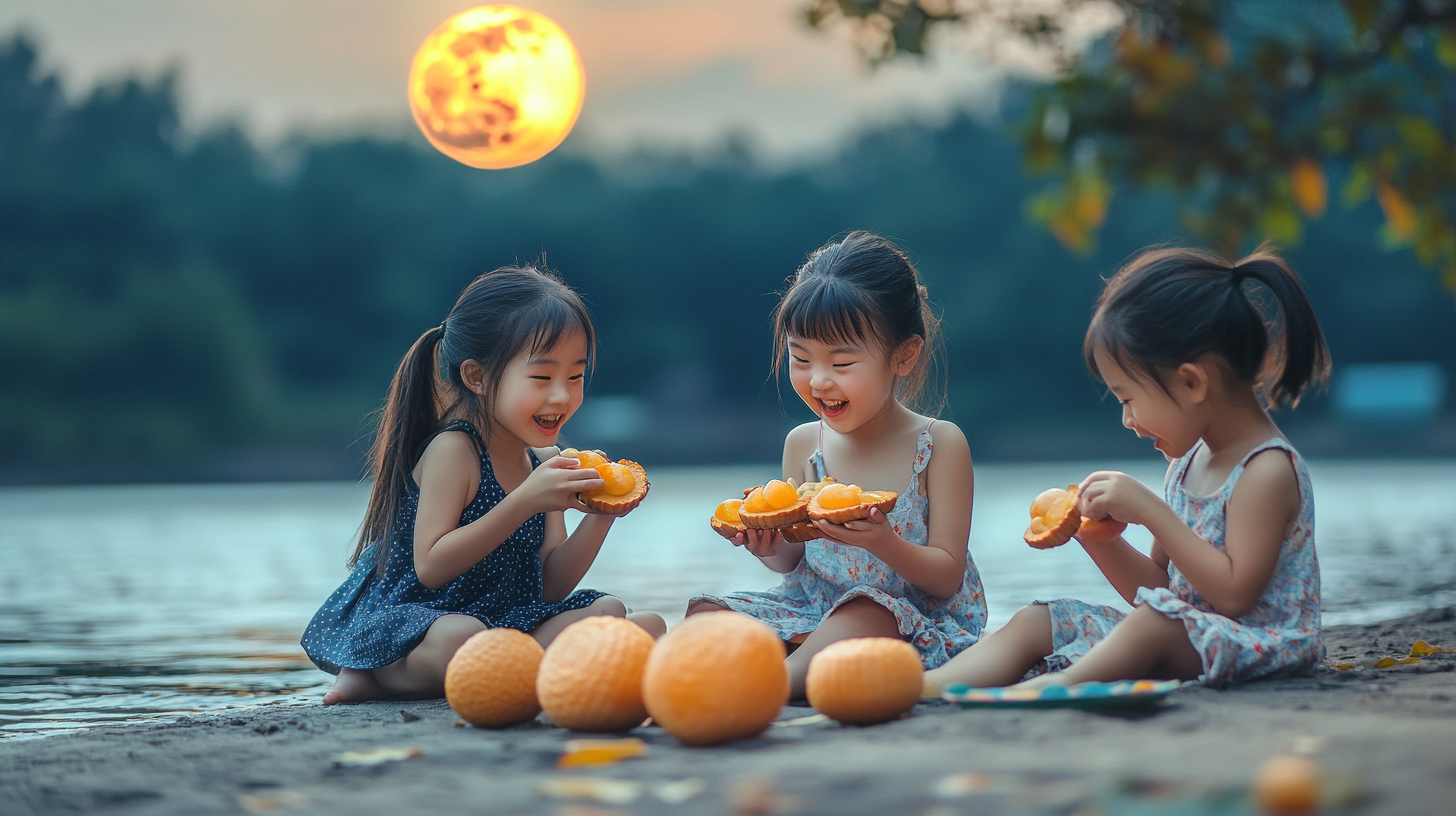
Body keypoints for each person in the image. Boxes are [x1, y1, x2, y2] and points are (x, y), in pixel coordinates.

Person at [923, 246, 1330, 694]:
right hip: (1184, 636)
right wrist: (1096, 537)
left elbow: (1234, 596)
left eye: (1127, 398)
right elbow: (1160, 589)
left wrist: (1151, 511)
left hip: (1260, 645)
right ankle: (930, 686)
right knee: (1040, 619)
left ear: (1192, 381)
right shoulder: (1186, 464)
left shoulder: (1266, 470)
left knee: (1152, 625)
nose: (1127, 420)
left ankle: (1054, 688)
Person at [302, 265, 664, 705]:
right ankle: (375, 676)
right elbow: (431, 566)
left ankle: (523, 672)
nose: (561, 397)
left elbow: (549, 586)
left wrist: (602, 518)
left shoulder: (544, 463)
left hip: (507, 623)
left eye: (575, 377)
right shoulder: (454, 451)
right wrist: (525, 501)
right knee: (465, 637)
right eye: (541, 378)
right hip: (420, 625)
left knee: (617, 615)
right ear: (476, 376)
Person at [688, 231, 985, 698]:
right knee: (707, 612)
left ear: (903, 355)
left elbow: (946, 576)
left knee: (866, 607)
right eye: (800, 358)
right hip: (810, 611)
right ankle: (711, 678)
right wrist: (766, 545)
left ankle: (768, 688)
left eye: (842, 364)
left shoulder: (938, 445)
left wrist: (885, 543)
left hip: (904, 622)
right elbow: (795, 559)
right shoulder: (805, 444)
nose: (819, 380)